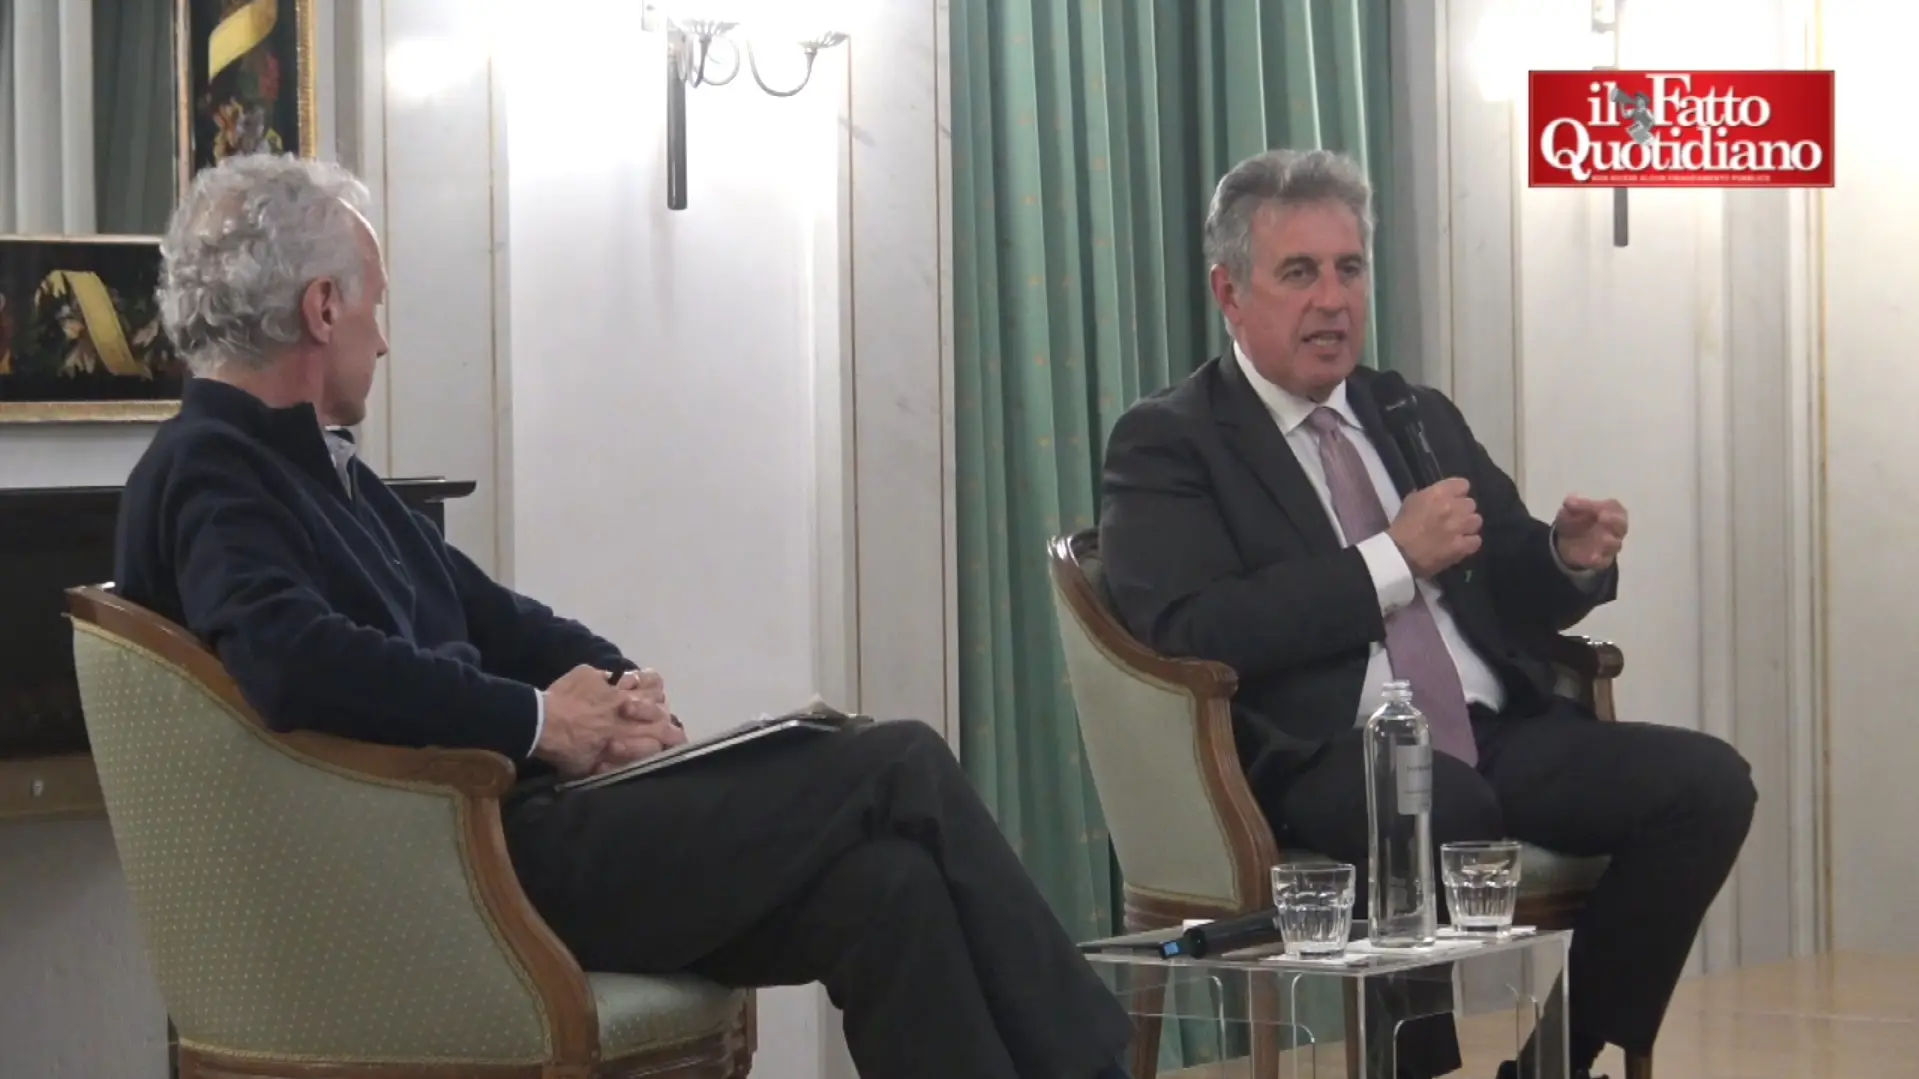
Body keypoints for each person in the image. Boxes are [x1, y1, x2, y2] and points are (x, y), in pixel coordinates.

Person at [113, 153, 1135, 1079]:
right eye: (376, 304)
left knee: (887, 891)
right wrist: (542, 721)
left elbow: (503, 620)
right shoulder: (212, 467)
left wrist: (617, 691)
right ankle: (1101, 1067)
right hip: (463, 874)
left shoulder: (323, 471)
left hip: (508, 845)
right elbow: (292, 657)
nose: (384, 337)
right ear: (323, 306)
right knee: (897, 761)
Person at [1097, 148, 1756, 1079]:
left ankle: (1559, 1063)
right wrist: (1390, 559)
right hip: (1316, 749)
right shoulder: (1171, 440)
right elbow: (1188, 630)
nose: (1333, 300)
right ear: (1229, 291)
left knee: (1707, 783)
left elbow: (1508, 576)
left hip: (1493, 731)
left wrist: (1565, 558)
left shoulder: (1407, 409)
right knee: (1435, 803)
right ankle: (1420, 1070)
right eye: (1299, 273)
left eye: (1349, 268)